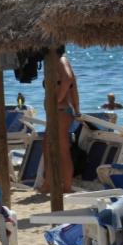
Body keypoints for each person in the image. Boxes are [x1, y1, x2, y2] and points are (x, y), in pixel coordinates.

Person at [40, 46, 80, 194]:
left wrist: (57, 100)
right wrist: (77, 109)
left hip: (60, 112)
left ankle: (65, 187)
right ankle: (51, 183)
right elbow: (73, 87)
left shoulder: (61, 60)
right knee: (49, 147)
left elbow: (68, 79)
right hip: (60, 112)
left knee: (61, 149)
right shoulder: (59, 62)